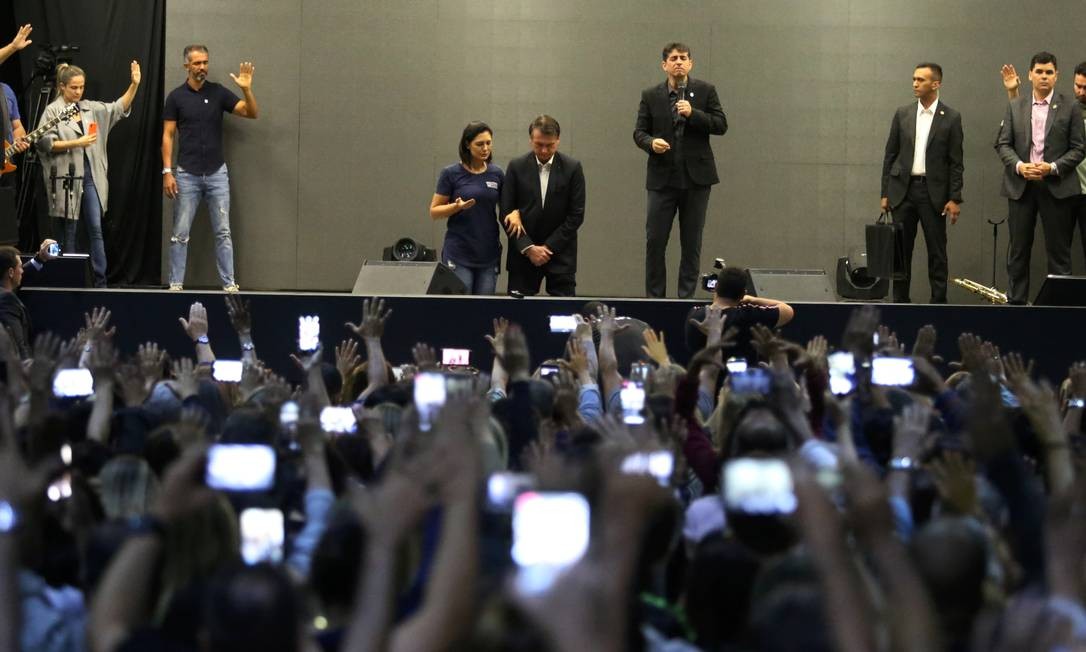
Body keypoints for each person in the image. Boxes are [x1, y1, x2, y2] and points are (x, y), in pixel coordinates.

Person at [634, 42, 727, 299]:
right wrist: (651, 143)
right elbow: (639, 132)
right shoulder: (650, 95)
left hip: (696, 180)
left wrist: (693, 113)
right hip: (662, 180)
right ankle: (655, 299)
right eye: (673, 58)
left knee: (691, 244)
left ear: (690, 63)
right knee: (655, 242)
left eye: (683, 58)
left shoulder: (705, 91)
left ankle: (685, 300)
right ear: (664, 65)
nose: (679, 62)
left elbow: (720, 124)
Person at [36, 61, 141, 288]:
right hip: (65, 179)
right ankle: (67, 279)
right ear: (62, 87)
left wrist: (134, 85)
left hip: (91, 176)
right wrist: (77, 142)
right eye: (74, 87)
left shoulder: (89, 108)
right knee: (68, 232)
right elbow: (43, 143)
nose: (78, 91)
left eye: (82, 87)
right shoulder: (53, 111)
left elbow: (117, 108)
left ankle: (100, 281)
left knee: (95, 228)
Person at [163, 45, 258, 292]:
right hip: (186, 174)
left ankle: (229, 284)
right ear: (187, 66)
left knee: (223, 233)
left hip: (217, 173)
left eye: (205, 62)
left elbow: (251, 113)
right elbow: (168, 135)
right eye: (197, 63)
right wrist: (167, 171)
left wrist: (246, 90)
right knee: (180, 233)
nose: (202, 67)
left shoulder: (217, 93)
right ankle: (175, 284)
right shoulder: (176, 97)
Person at [995, 52, 1086, 304]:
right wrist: (1020, 166)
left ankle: (1060, 308)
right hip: (1021, 186)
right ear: (1030, 75)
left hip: (1056, 186)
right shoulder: (1016, 106)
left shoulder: (1071, 107)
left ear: (1057, 76)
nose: (1044, 76)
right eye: (1039, 72)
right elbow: (1003, 144)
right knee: (1018, 251)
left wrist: (1053, 167)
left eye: (1049, 72)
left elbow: (1079, 148)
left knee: (1059, 254)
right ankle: (1016, 303)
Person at [880, 62, 964, 304]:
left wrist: (954, 197)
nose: (915, 84)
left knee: (937, 251)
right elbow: (890, 154)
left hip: (933, 193)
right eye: (914, 79)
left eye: (921, 80)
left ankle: (938, 303)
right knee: (900, 252)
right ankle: (900, 303)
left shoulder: (951, 117)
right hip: (902, 191)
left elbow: (956, 162)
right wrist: (885, 192)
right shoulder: (902, 113)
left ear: (935, 84)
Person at [499, 115, 586, 296]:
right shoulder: (516, 166)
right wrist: (529, 248)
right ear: (531, 140)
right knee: (518, 318)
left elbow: (576, 215)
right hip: (523, 256)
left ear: (558, 141)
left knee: (564, 317)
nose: (545, 150)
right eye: (539, 144)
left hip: (561, 255)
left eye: (550, 145)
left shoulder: (573, 168)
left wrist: (548, 248)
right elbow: (506, 212)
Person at [429, 121, 504, 295]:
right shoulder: (450, 173)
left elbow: (507, 208)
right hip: (459, 253)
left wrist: (514, 213)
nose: (485, 148)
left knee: (484, 310)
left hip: (488, 253)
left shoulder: (497, 173)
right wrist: (456, 206)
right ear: (467, 144)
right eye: (480, 144)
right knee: (462, 308)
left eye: (488, 143)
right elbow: (434, 211)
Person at [684, 266, 794, 364]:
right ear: (742, 294)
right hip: (741, 385)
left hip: (703, 383)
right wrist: (752, 299)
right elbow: (787, 310)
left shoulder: (695, 315)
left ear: (716, 286)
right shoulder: (748, 316)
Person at [0, 239, 57, 359]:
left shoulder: (4, 290)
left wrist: (40, 258)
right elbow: (19, 344)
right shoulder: (6, 300)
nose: (22, 271)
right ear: (10, 272)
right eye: (20, 267)